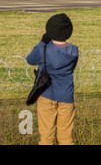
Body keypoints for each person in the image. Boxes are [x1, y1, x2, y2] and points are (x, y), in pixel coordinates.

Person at [26, 13, 79, 145]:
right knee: (66, 137)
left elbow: (30, 59)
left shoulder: (43, 49)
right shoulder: (74, 50)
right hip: (66, 96)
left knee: (46, 136)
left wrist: (42, 42)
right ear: (69, 32)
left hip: (46, 94)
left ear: (49, 31)